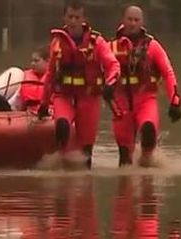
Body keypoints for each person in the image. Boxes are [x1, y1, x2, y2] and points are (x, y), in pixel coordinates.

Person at [37, 0, 120, 168]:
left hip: (89, 97)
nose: (73, 21)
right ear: (64, 18)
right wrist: (44, 103)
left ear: (84, 19)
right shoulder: (57, 43)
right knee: (62, 125)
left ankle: (84, 180)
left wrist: (110, 84)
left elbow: (114, 65)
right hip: (63, 95)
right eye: (70, 17)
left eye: (77, 17)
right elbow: (51, 75)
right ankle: (61, 166)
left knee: (86, 146)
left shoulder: (97, 42)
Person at [108, 6, 181, 166]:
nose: (133, 23)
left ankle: (147, 168)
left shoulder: (152, 46)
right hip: (121, 103)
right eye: (130, 19)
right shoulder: (111, 47)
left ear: (142, 23)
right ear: (123, 20)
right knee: (125, 157)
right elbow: (98, 71)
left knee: (148, 130)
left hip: (145, 99)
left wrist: (174, 101)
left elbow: (168, 73)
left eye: (136, 20)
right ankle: (125, 186)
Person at [17, 46, 50, 113]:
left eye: (36, 61)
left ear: (48, 61)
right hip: (28, 114)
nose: (32, 63)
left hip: (49, 113)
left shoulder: (56, 77)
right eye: (32, 61)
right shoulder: (25, 75)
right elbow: (19, 102)